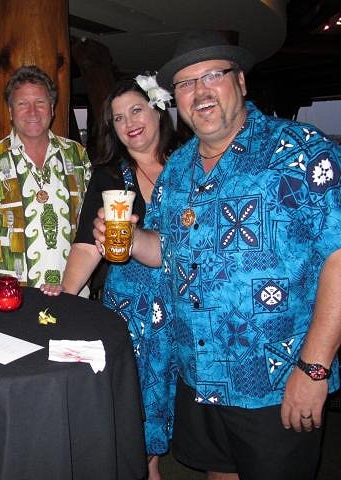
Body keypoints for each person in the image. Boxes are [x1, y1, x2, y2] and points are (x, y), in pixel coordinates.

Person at [93, 30, 341, 480]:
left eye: (213, 76)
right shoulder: (178, 169)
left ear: (240, 81)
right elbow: (167, 251)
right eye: (186, 84)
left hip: (274, 380)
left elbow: (338, 258)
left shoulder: (300, 150)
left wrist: (314, 368)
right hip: (198, 375)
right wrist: (130, 241)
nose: (200, 91)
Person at [41, 75, 179, 479]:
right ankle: (147, 468)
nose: (129, 123)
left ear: (157, 110)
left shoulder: (189, 165)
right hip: (130, 307)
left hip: (185, 302)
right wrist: (67, 293)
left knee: (176, 397)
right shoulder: (109, 176)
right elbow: (88, 245)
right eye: (118, 118)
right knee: (135, 399)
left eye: (136, 110)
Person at [0, 65, 91, 287]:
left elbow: (88, 223)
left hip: (69, 289)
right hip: (10, 295)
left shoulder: (77, 154)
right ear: (10, 112)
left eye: (40, 102)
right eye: (22, 104)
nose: (32, 112)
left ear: (52, 108)